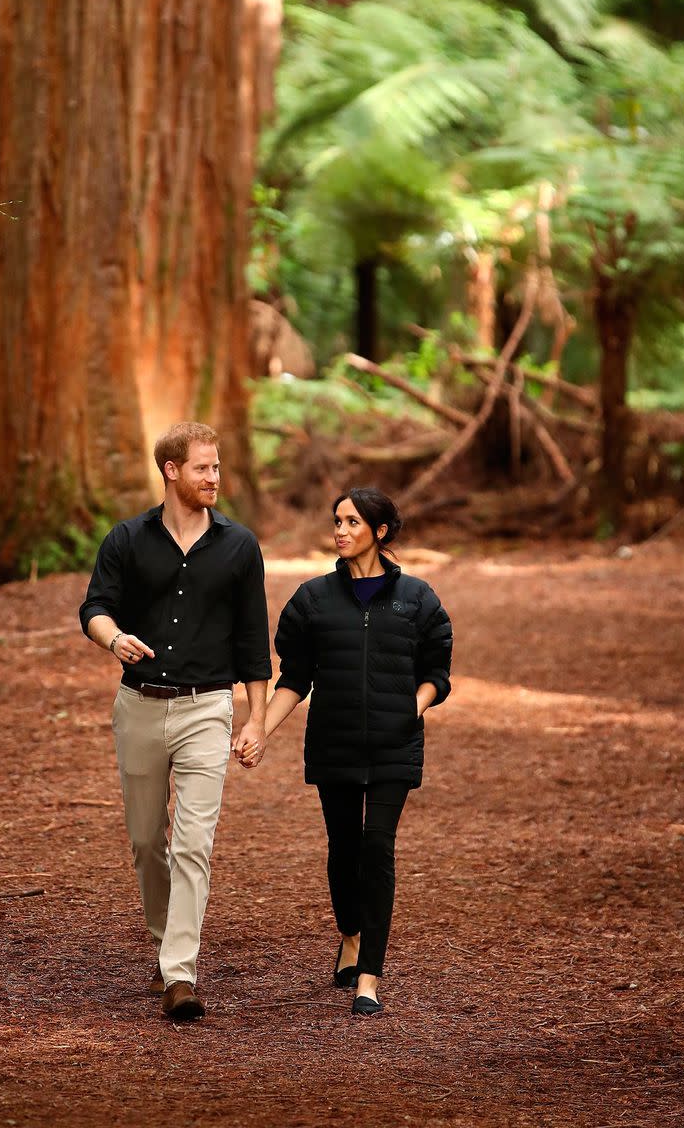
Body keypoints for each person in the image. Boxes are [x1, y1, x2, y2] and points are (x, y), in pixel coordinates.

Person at [79, 422, 271, 1022]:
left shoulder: (240, 547)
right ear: (170, 470)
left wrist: (256, 720)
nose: (214, 478)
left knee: (194, 842)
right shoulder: (127, 540)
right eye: (202, 468)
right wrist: (115, 642)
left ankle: (179, 971)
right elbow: (94, 608)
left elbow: (252, 641)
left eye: (217, 468)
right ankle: (169, 938)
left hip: (207, 709)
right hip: (138, 705)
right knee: (146, 843)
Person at [244, 486, 452, 1017]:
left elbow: (437, 673)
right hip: (334, 742)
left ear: (379, 533)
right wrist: (260, 728)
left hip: (393, 745)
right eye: (337, 521)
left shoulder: (418, 599)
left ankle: (369, 979)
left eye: (352, 522)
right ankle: (351, 933)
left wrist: (414, 707)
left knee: (377, 848)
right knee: (343, 850)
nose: (340, 530)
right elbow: (295, 678)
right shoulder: (314, 600)